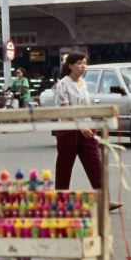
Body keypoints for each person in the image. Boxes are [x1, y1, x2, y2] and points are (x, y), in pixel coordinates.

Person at [52, 53, 103, 191]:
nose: (83, 66)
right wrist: (80, 126)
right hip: (68, 130)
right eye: (79, 63)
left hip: (87, 128)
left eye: (85, 63)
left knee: (95, 163)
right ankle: (61, 198)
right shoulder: (63, 84)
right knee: (65, 166)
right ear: (70, 66)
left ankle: (104, 198)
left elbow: (86, 107)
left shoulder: (83, 83)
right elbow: (66, 110)